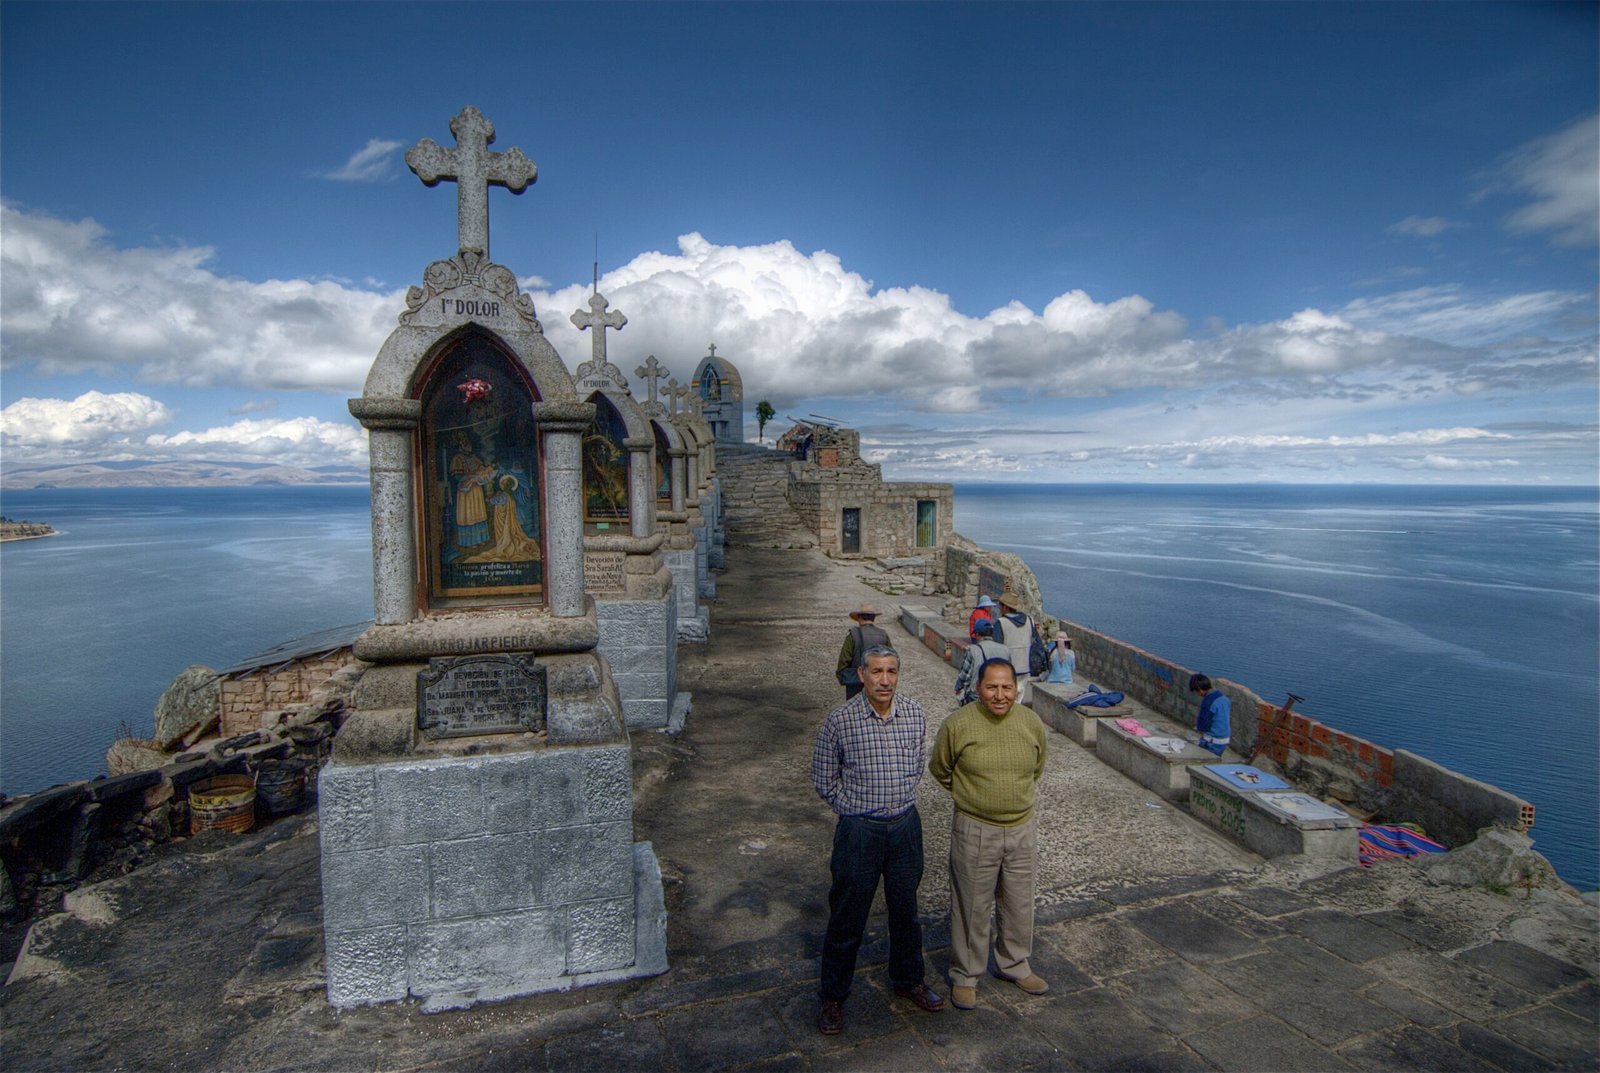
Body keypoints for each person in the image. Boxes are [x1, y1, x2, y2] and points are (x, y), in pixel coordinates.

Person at [811, 647, 945, 1034]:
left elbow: (918, 764)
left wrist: (896, 799)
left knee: (906, 910)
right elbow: (823, 779)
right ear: (862, 675)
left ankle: (908, 980)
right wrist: (852, 809)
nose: (884, 680)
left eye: (891, 672)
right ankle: (833, 997)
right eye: (876, 672)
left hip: (904, 826)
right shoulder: (841, 721)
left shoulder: (915, 714)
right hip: (860, 831)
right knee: (848, 916)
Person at [930, 658, 1049, 1011]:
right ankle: (966, 975)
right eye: (992, 687)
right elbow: (940, 768)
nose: (1000, 695)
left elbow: (1038, 766)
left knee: (1018, 902)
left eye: (1007, 687)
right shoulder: (958, 724)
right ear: (978, 688)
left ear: (1016, 688)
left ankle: (1014, 964)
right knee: (972, 905)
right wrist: (974, 796)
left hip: (1021, 827)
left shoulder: (1031, 722)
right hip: (975, 828)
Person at [835, 603, 890, 701]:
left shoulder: (853, 635)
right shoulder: (883, 634)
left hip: (856, 683)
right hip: (878, 682)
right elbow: (891, 659)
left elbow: (843, 661)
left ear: (859, 617)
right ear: (873, 618)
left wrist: (843, 677)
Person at [954, 619, 1011, 705]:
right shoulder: (1005, 650)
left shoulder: (972, 650)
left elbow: (965, 674)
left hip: (977, 694)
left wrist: (958, 688)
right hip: (999, 692)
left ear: (977, 634)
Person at [993, 590, 1045, 680]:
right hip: (1026, 667)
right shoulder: (1029, 620)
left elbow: (997, 648)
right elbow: (1037, 643)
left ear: (1005, 607)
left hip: (1008, 668)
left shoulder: (1001, 623)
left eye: (1000, 606)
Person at [1189, 673, 1231, 756]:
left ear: (1200, 690)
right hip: (1224, 738)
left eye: (1196, 692)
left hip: (1213, 740)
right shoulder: (1223, 698)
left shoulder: (1208, 702)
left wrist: (1198, 727)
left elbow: (1204, 725)